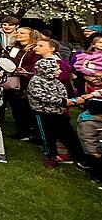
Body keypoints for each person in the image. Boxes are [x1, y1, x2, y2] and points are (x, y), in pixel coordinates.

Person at [28, 39, 88, 169]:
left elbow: (62, 93)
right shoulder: (37, 81)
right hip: (43, 112)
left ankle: (80, 157)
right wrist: (63, 101)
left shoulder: (57, 81)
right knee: (47, 136)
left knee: (68, 134)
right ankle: (50, 155)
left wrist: (69, 101)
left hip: (59, 111)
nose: (59, 71)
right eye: (56, 70)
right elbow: (41, 95)